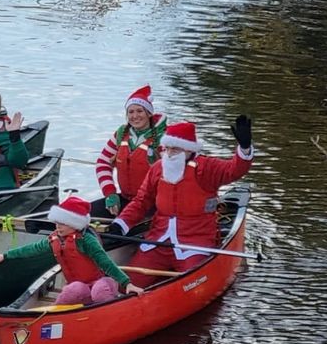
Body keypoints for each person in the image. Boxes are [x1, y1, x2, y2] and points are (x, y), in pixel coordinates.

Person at [106, 117, 254, 286]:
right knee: (129, 282)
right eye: (167, 149)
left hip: (196, 240)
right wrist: (120, 224)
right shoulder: (158, 168)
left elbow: (234, 170)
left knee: (191, 281)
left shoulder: (206, 167)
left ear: (188, 150)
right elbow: (141, 201)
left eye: (175, 150)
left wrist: (244, 148)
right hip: (158, 239)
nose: (169, 154)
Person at [0, 195, 144, 305]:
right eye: (57, 223)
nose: (58, 227)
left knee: (100, 292)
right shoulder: (55, 238)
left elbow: (106, 262)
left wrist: (127, 283)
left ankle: (109, 310)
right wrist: (6, 256)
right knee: (72, 291)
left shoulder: (87, 240)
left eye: (63, 224)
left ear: (75, 224)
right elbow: (32, 249)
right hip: (79, 285)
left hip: (100, 282)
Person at [92, 84, 168, 217]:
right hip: (126, 199)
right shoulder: (121, 134)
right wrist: (110, 193)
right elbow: (102, 163)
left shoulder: (164, 138)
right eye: (131, 112)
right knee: (86, 214)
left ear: (149, 113)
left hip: (153, 204)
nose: (135, 116)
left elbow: (174, 174)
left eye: (140, 111)